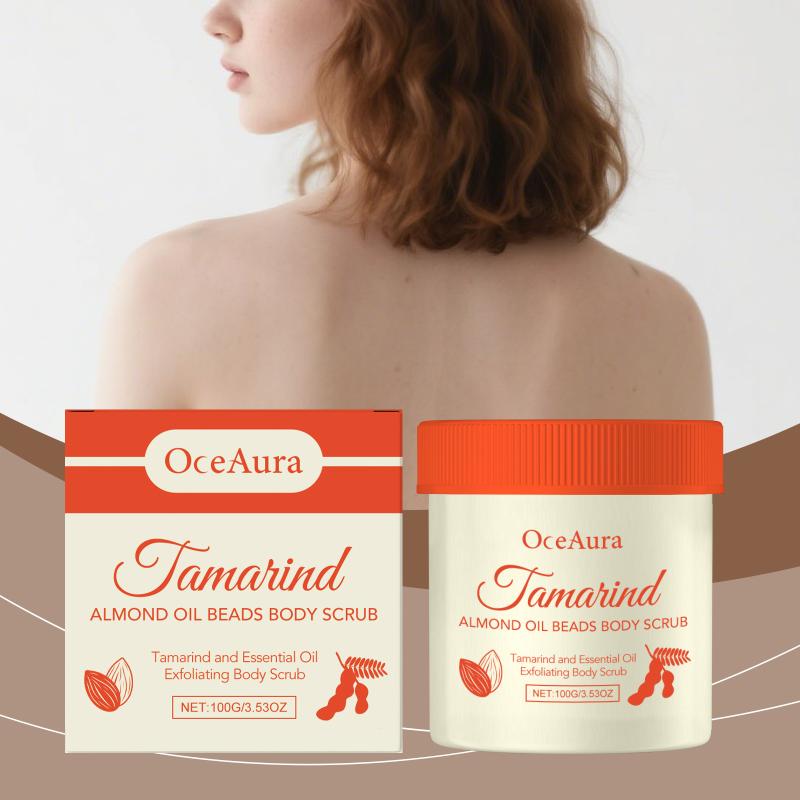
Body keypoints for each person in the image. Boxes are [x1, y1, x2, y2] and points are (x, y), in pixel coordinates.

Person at [96, 0, 713, 511]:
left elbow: (141, 616)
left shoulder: (179, 285)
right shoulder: (659, 320)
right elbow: (642, 623)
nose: (217, 18)